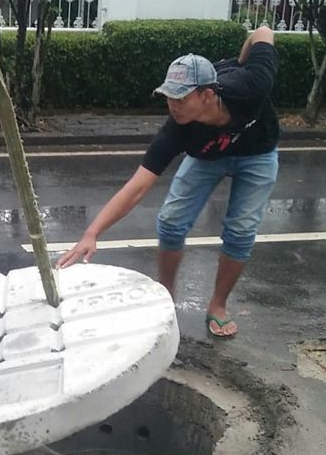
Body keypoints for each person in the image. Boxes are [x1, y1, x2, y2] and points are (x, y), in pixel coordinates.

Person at [58, 27, 279, 338]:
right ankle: (166, 296)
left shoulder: (251, 84)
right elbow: (137, 187)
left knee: (241, 230)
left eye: (181, 97)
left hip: (257, 153)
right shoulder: (177, 128)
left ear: (206, 94)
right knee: (171, 222)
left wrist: (242, 63)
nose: (173, 105)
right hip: (206, 156)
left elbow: (263, 31)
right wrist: (91, 233)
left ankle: (217, 305)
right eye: (168, 97)